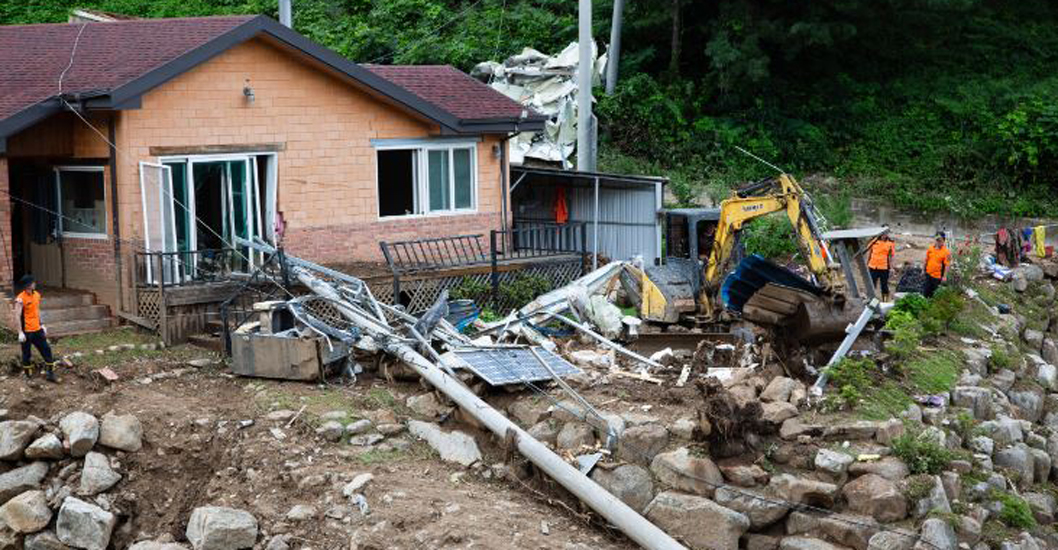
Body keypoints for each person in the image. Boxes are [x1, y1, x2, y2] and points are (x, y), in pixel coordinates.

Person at [13, 275, 56, 382]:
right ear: (28, 285)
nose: (34, 283)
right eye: (33, 282)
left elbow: (36, 311)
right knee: (26, 354)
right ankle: (28, 376)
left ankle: (50, 374)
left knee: (46, 349)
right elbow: (17, 316)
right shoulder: (20, 299)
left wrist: (41, 324)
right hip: (26, 332)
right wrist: (20, 332)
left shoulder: (37, 295)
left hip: (37, 330)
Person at [867, 231, 896, 301]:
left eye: (885, 233)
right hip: (873, 266)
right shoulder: (874, 241)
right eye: (882, 233)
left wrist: (892, 268)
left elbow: (891, 257)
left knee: (884, 285)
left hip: (884, 267)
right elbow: (870, 252)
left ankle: (885, 301)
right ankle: (871, 300)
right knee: (872, 284)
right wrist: (867, 263)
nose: (884, 235)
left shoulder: (890, 243)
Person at [923, 232, 952, 298]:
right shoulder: (930, 248)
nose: (938, 242)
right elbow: (926, 260)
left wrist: (944, 277)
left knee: (934, 294)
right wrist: (923, 269)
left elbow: (947, 265)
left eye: (940, 240)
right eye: (937, 240)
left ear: (943, 241)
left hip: (937, 277)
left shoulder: (946, 252)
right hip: (928, 274)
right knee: (925, 292)